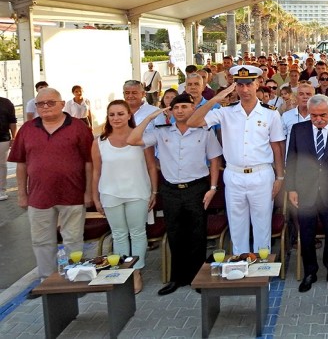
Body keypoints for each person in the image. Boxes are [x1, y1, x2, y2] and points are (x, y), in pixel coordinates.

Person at [128, 93, 222, 295]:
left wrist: (213, 188)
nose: (180, 111)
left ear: (193, 108)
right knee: (174, 234)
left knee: (197, 234)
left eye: (184, 106)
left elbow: (215, 159)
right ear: (170, 112)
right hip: (170, 190)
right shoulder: (161, 132)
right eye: (176, 107)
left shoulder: (204, 131)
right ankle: (177, 278)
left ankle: (198, 277)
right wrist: (150, 117)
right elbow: (133, 139)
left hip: (196, 188)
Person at [187, 65, 286, 254]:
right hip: (234, 174)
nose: (244, 89)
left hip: (261, 174)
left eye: (249, 84)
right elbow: (193, 122)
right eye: (240, 85)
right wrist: (215, 99)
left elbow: (277, 146)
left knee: (262, 225)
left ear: (257, 84)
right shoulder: (225, 111)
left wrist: (280, 177)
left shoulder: (270, 113)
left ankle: (261, 265)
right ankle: (240, 262)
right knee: (237, 226)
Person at [10, 87, 93, 279]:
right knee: (41, 241)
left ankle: (75, 278)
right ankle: (47, 280)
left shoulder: (79, 127)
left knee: (73, 239)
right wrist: (22, 194)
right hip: (39, 197)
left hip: (73, 194)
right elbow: (21, 163)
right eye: (40, 104)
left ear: (62, 104)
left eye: (50, 102)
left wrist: (88, 192)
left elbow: (89, 162)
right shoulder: (27, 129)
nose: (45, 106)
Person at [286, 95, 328, 293]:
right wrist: (291, 189)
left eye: (323, 115)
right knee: (306, 235)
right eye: (314, 115)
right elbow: (291, 159)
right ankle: (310, 272)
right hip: (305, 191)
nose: (318, 119)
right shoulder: (298, 130)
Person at [91, 100, 157, 294]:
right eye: (112, 114)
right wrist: (95, 197)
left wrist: (154, 191)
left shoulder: (141, 138)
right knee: (119, 234)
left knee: (137, 233)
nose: (116, 118)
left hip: (138, 192)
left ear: (129, 115)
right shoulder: (99, 142)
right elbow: (96, 171)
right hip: (110, 193)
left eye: (120, 114)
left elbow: (151, 167)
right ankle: (123, 271)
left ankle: (136, 272)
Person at [282, 82, 314, 154]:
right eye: (301, 94)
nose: (305, 97)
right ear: (296, 97)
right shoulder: (286, 116)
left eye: (308, 94)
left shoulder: (318, 117)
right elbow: (281, 141)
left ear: (313, 97)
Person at [0, 94, 16, 201]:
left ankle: (1, 190)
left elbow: (12, 121)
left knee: (1, 165)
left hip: (3, 138)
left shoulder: (6, 103)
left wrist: (14, 137)